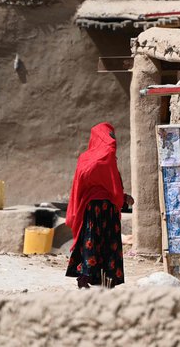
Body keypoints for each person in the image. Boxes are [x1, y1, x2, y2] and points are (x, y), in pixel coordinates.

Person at [65, 122, 134, 289]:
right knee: (108, 243)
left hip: (89, 208)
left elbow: (79, 185)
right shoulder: (108, 155)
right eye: (111, 135)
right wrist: (123, 199)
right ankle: (106, 279)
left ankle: (84, 275)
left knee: (89, 240)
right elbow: (112, 185)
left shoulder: (85, 158)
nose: (113, 139)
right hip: (107, 208)